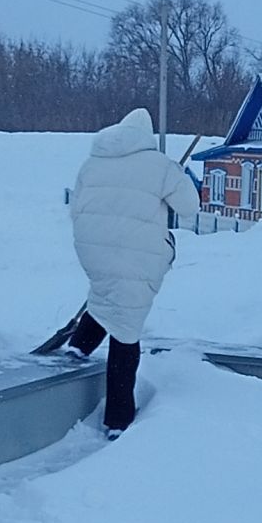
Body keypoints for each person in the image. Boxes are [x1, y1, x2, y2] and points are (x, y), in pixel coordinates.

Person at [66, 109, 191, 435]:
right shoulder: (161, 166)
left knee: (111, 296)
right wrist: (179, 175)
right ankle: (118, 420)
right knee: (126, 328)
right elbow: (190, 207)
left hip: (92, 250)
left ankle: (79, 345)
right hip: (138, 256)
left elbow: (75, 207)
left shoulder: (92, 161)